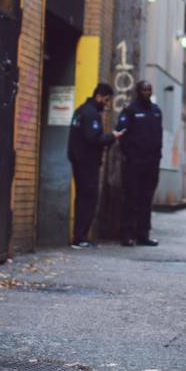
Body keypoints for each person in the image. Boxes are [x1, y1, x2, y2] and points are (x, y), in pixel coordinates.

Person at [67, 82, 121, 248]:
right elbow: (94, 139)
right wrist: (112, 136)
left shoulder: (80, 111)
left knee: (82, 199)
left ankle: (80, 236)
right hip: (87, 163)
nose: (106, 105)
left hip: (79, 161)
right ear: (98, 97)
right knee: (88, 199)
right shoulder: (91, 114)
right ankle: (80, 238)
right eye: (105, 100)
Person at [116, 80, 163, 247]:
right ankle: (127, 235)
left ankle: (144, 235)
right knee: (131, 199)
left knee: (146, 200)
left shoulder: (156, 111)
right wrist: (129, 156)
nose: (147, 92)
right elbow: (121, 135)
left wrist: (157, 157)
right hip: (134, 164)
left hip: (151, 164)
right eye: (143, 89)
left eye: (149, 89)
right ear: (138, 91)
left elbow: (159, 137)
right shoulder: (130, 111)